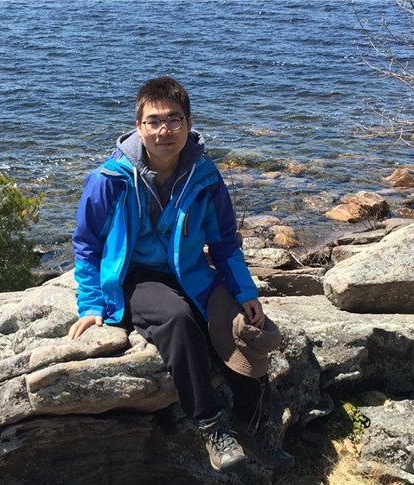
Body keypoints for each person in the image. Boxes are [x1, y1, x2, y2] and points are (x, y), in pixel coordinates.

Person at [70, 76, 294, 473]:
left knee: (248, 329)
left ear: (189, 124)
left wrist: (245, 292)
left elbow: (224, 244)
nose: (164, 130)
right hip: (136, 277)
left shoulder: (205, 177)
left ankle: (253, 425)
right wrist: (91, 305)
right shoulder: (109, 180)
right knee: (177, 319)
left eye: (174, 120)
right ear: (138, 127)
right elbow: (87, 246)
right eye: (154, 121)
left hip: (191, 273)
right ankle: (211, 425)